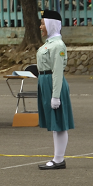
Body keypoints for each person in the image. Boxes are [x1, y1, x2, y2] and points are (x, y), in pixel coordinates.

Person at [37, 10, 74, 170]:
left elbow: (58, 72)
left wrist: (56, 96)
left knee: (59, 122)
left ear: (52, 24)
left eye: (43, 23)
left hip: (53, 84)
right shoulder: (49, 43)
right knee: (54, 122)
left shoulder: (58, 45)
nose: (40, 26)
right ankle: (57, 158)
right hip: (46, 82)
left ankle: (59, 159)